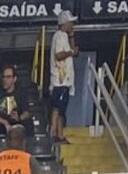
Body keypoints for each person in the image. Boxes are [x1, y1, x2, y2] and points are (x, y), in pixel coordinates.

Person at [49, 12, 76, 141]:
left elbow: (73, 51)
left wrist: (72, 36)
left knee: (61, 110)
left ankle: (60, 135)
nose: (72, 24)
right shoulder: (59, 36)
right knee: (57, 108)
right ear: (64, 23)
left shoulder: (64, 36)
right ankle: (53, 133)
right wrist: (71, 52)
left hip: (65, 80)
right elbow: (59, 55)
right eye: (70, 22)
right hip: (59, 79)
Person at [0, 66, 35, 137]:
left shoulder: (21, 92)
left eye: (8, 77)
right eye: (3, 77)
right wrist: (5, 122)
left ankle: (29, 144)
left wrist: (19, 118)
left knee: (28, 122)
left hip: (17, 122)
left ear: (14, 79)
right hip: (1, 123)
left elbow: (26, 113)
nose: (5, 79)